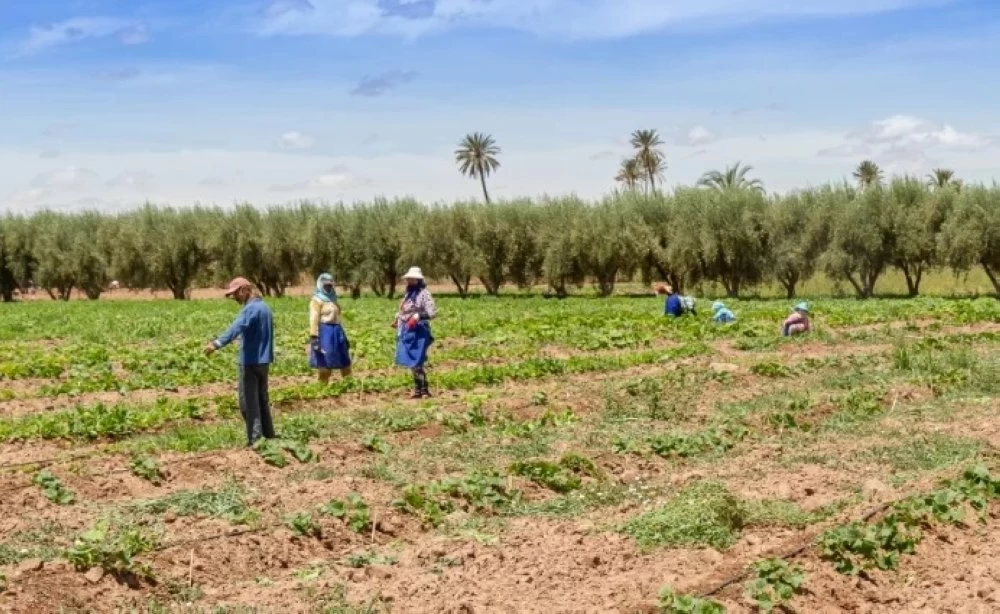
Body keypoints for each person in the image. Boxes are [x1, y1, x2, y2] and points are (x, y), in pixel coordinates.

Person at [204, 277, 275, 446]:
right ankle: (270, 437)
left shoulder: (250, 309)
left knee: (248, 403)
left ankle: (256, 440)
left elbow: (236, 327)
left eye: (235, 293)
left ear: (245, 290)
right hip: (264, 361)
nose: (234, 297)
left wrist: (217, 343)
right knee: (262, 400)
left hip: (250, 361)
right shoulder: (265, 307)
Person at [393, 267, 437, 399]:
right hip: (407, 330)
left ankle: (424, 390)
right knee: (411, 361)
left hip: (419, 330)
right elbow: (404, 311)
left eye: (411, 279)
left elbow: (432, 312)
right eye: (408, 279)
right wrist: (397, 319)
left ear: (418, 280)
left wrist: (418, 316)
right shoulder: (408, 294)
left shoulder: (424, 293)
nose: (409, 281)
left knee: (417, 360)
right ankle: (418, 389)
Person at [308, 273, 352, 383]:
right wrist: (314, 337)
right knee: (325, 360)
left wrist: (343, 335)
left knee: (344, 359)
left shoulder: (333, 299)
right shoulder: (316, 301)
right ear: (320, 285)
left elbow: (338, 317)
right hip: (325, 332)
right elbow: (314, 319)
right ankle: (323, 384)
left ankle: (349, 384)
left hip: (337, 331)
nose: (328, 287)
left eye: (330, 285)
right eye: (326, 285)